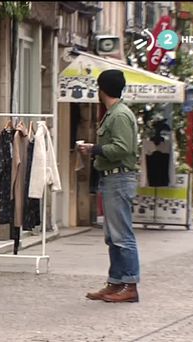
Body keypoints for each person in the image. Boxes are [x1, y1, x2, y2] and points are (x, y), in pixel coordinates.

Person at [78, 69, 140, 303]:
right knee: (113, 236)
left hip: (120, 178)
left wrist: (95, 149)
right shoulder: (113, 113)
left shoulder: (120, 115)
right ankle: (116, 282)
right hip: (113, 177)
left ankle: (130, 284)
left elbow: (122, 148)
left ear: (101, 89)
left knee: (122, 235)